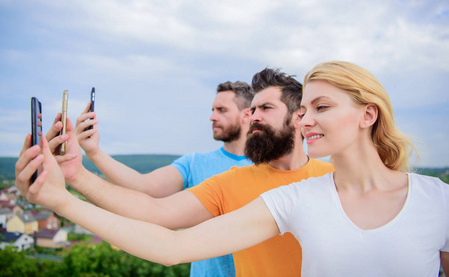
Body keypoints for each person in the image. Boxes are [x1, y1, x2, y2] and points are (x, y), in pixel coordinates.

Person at [16, 68, 334, 276]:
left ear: (299, 118)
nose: (254, 118)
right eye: (253, 110)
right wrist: (76, 175)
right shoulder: (230, 180)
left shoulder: (333, 176)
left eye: (265, 109)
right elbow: (153, 208)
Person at [68, 81, 254, 277]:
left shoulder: (269, 169)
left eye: (222, 110)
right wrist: (94, 152)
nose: (212, 116)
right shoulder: (195, 163)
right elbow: (145, 186)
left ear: (247, 115)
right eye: (213, 109)